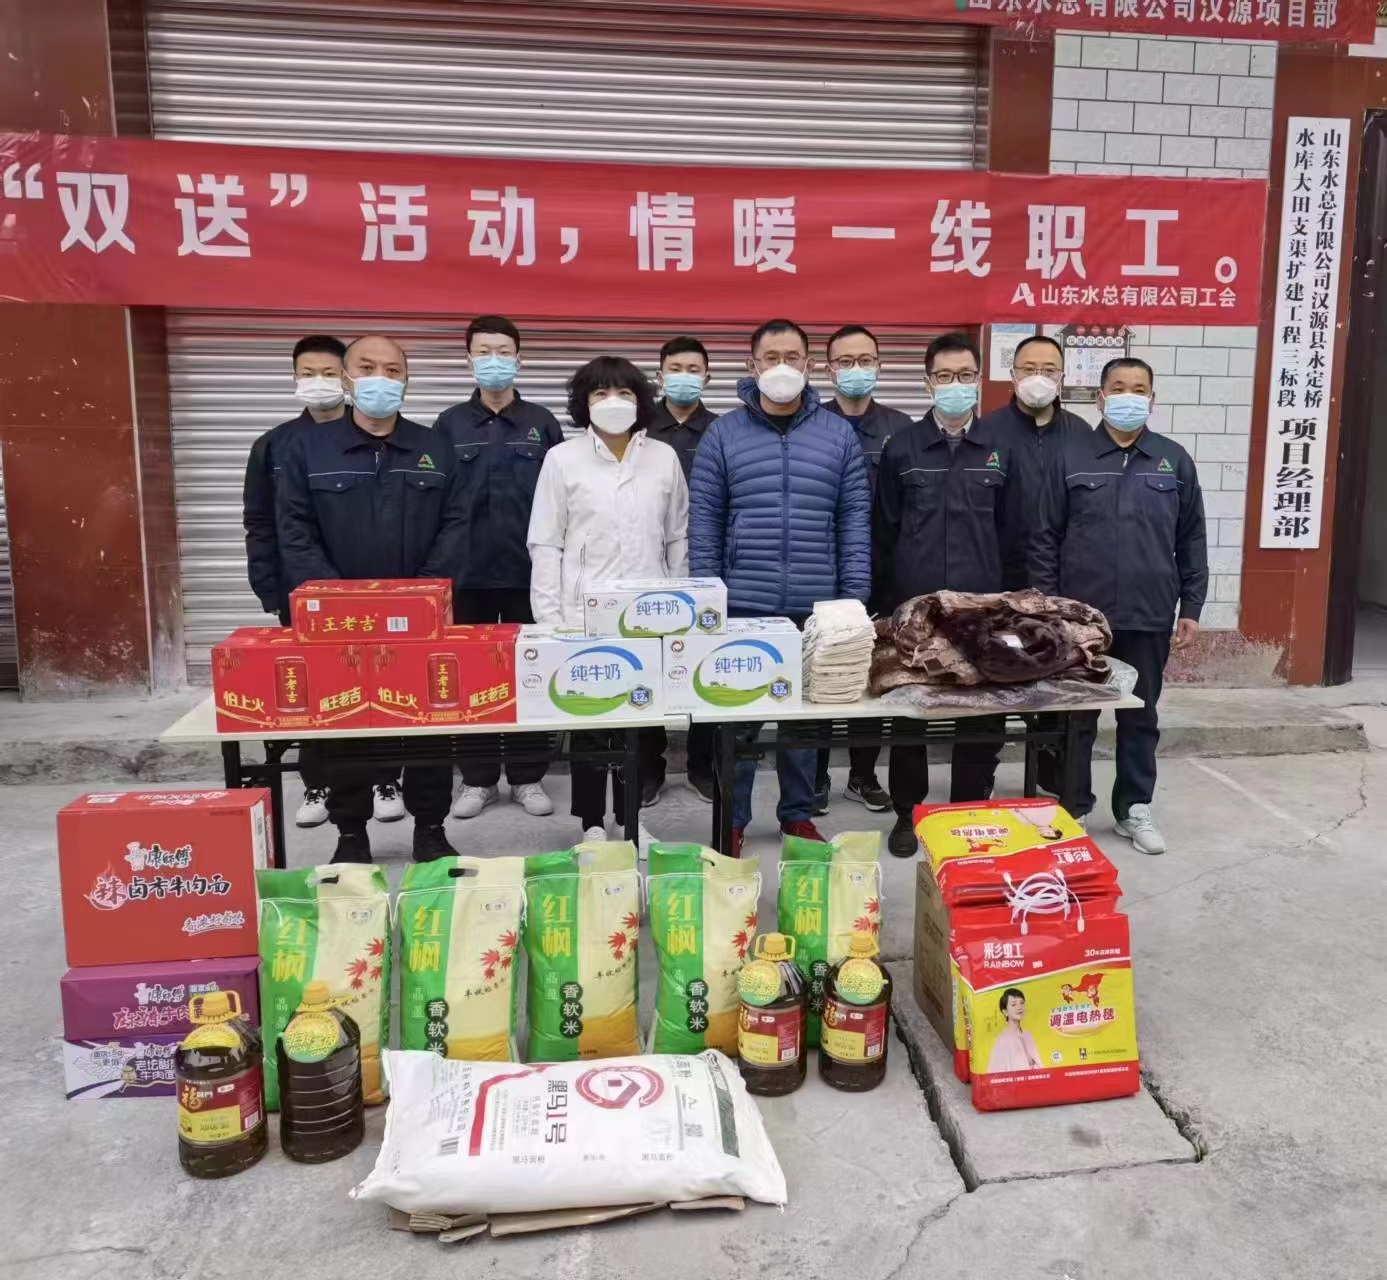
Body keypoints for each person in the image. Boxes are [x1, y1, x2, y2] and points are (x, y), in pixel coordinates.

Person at [277, 334, 467, 865]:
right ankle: (350, 834)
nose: (380, 378)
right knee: (345, 726)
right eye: (367, 367)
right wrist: (336, 601)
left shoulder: (435, 448)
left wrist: (423, 595)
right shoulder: (307, 449)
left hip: (422, 618)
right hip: (340, 622)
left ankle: (431, 828)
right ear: (346, 377)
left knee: (430, 723)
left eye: (392, 370)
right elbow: (294, 530)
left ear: (406, 381)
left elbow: (457, 526)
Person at [688, 319, 871, 858]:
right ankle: (733, 818)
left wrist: (852, 596)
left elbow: (854, 518)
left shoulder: (838, 434)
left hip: (817, 606)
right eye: (772, 357)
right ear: (753, 365)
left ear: (810, 365)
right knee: (739, 722)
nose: (783, 366)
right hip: (744, 601)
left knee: (805, 724)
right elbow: (705, 521)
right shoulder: (724, 434)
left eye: (793, 356)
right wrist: (708, 598)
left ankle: (797, 816)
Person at [1031, 357, 1208, 856]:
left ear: (1152, 399)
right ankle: (1074, 807)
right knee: (1078, 717)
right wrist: (1051, 609)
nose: (1129, 396)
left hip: (1149, 612)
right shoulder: (1070, 457)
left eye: (1139, 388)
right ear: (1101, 397)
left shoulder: (1173, 460)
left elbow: (1192, 538)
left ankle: (1134, 808)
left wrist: (1191, 606)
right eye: (1119, 387)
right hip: (1082, 619)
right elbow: (1044, 538)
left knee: (1140, 716)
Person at [240, 336, 404, 830]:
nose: (320, 383)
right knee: (322, 695)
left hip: (378, 595)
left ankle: (386, 778)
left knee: (387, 690)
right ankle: (318, 782)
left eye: (329, 373)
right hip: (308, 596)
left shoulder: (382, 439)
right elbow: (263, 523)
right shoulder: (276, 445)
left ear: (347, 379)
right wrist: (272, 589)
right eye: (307, 374)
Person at [527, 356, 689, 846]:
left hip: (649, 616)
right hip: (581, 616)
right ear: (584, 403)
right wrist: (549, 620)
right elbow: (546, 542)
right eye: (600, 393)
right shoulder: (563, 459)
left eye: (624, 392)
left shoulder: (663, 458)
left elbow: (677, 538)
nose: (612, 402)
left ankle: (630, 822)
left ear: (641, 401)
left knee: (639, 723)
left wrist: (678, 607)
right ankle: (593, 824)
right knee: (590, 723)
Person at [872, 333, 1017, 858]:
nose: (956, 385)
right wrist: (885, 607)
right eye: (945, 376)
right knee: (910, 713)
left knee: (981, 715)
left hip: (983, 609)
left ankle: (966, 811)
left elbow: (1016, 531)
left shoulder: (1001, 448)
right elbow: (884, 531)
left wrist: (1013, 607)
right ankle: (907, 812)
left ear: (978, 380)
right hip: (915, 607)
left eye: (965, 375)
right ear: (928, 382)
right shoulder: (903, 448)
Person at [436, 315, 563, 821]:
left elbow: (561, 501)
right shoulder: (448, 424)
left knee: (529, 674)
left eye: (503, 351)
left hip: (527, 575)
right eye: (483, 351)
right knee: (470, 679)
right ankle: (478, 778)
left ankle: (528, 776)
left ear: (519, 359)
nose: (494, 360)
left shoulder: (541, 422)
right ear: (468, 358)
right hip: (466, 577)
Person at [815, 324, 914, 817]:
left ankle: (861, 774)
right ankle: (812, 777)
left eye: (865, 360)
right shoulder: (811, 423)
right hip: (819, 568)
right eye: (845, 361)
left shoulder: (902, 428)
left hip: (884, 573)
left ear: (880, 365)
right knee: (818, 672)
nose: (856, 369)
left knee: (873, 674)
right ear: (828, 369)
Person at [645, 336, 719, 807]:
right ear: (660, 376)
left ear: (708, 377)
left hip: (708, 565)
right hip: (650, 567)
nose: (684, 376)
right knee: (649, 668)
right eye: (676, 368)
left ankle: (702, 766)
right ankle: (649, 767)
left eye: (694, 369)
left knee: (705, 665)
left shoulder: (724, 429)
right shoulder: (639, 427)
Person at [986, 988, 1041, 1073]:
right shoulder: (1001, 1041)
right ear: (1005, 1012)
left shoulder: (1028, 1035)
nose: (1019, 1007)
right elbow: (994, 1073)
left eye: (1021, 1003)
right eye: (1013, 1004)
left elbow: (1039, 1066)